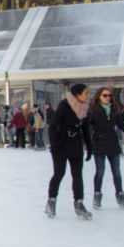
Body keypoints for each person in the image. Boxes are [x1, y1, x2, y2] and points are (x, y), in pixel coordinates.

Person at [87, 87, 124, 209]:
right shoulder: (92, 110)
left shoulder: (114, 109)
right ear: (99, 97)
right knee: (100, 172)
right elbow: (87, 127)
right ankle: (97, 195)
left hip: (112, 143)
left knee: (116, 172)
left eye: (109, 95)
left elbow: (122, 125)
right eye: (105, 95)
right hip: (99, 143)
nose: (107, 98)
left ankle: (120, 195)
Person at [45, 83, 93, 219]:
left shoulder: (84, 108)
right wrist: (55, 144)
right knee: (59, 173)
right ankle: (51, 201)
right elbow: (52, 126)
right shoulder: (64, 105)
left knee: (77, 175)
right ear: (78, 94)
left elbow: (85, 129)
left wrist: (90, 147)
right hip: (61, 145)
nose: (88, 96)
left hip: (76, 145)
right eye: (86, 93)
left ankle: (79, 204)